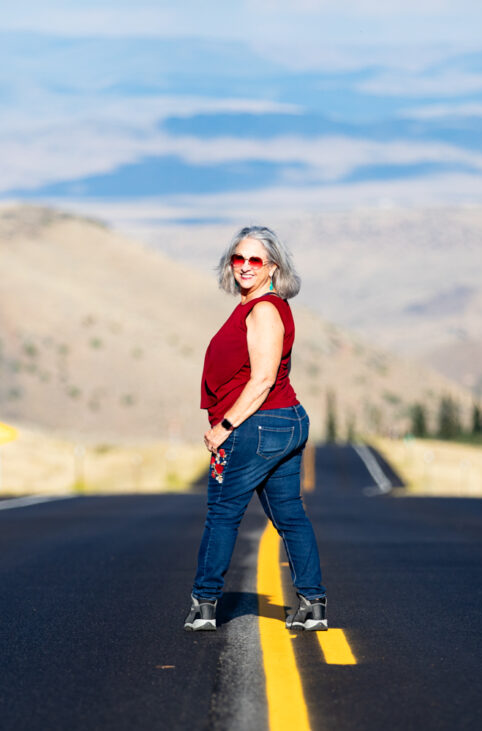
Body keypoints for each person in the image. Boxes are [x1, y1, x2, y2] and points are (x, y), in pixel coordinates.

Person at [184, 226, 327, 632]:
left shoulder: (264, 310)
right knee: (290, 516)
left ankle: (204, 604)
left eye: (255, 260)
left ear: (272, 268)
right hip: (280, 421)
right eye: (238, 258)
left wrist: (224, 426)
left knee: (223, 514)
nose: (244, 266)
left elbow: (262, 379)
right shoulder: (256, 306)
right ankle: (313, 605)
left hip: (258, 423)